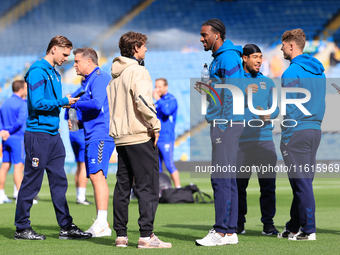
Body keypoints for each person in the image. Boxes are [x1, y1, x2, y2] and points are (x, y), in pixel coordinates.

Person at [14, 35, 92, 240]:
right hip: (38, 134)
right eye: (65, 54)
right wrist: (62, 101)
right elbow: (37, 103)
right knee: (32, 182)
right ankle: (22, 228)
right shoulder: (38, 71)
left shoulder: (54, 72)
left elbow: (50, 102)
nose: (67, 58)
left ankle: (66, 226)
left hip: (53, 135)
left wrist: (64, 102)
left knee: (59, 181)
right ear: (54, 49)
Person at [107, 31, 172, 249]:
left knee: (122, 187)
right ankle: (146, 236)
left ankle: (121, 236)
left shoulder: (115, 76)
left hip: (121, 139)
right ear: (135, 48)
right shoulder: (139, 71)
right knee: (148, 187)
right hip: (139, 136)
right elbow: (143, 100)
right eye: (144, 46)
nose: (146, 50)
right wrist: (155, 125)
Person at [195, 19, 245, 246]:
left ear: (217, 35)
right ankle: (230, 231)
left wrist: (222, 122)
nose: (201, 38)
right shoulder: (218, 60)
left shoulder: (227, 57)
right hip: (226, 122)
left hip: (227, 123)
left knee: (220, 177)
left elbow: (235, 92)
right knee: (227, 178)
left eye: (205, 35)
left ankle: (222, 231)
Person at [277, 28, 325, 241]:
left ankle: (309, 230)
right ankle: (293, 226)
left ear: (290, 45)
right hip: (315, 130)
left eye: (283, 44)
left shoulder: (290, 73)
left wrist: (285, 137)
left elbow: (289, 109)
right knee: (302, 182)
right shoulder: (319, 71)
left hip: (296, 131)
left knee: (301, 183)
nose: (280, 48)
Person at [69, 47, 115, 237]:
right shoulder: (88, 81)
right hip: (91, 133)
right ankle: (100, 221)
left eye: (77, 61)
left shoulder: (100, 77)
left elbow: (97, 104)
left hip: (101, 134)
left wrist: (73, 103)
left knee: (97, 176)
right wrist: (79, 122)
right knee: (94, 176)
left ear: (89, 61)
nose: (74, 65)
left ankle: (103, 223)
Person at [236, 44, 279, 235]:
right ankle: (238, 223)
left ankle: (268, 224)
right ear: (244, 58)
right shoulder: (235, 81)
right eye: (255, 57)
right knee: (239, 186)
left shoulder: (268, 82)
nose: (259, 60)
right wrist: (243, 96)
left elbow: (276, 108)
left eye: (261, 57)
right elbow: (225, 106)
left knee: (268, 185)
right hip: (241, 142)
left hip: (264, 139)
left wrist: (269, 114)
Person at [0, 80, 27, 204]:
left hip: (6, 138)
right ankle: (19, 196)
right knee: (18, 166)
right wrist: (9, 131)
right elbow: (20, 122)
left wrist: (3, 132)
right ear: (21, 89)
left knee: (5, 166)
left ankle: (1, 194)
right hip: (17, 138)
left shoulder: (4, 102)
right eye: (26, 88)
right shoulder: (22, 103)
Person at [64, 85, 92, 205]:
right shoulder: (86, 93)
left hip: (73, 134)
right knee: (83, 166)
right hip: (81, 133)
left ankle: (79, 194)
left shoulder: (73, 95)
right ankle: (81, 196)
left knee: (79, 165)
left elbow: (69, 117)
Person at [153, 78, 181, 188]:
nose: (157, 89)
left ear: (166, 87)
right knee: (157, 166)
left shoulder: (171, 100)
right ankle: (160, 189)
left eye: (160, 86)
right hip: (156, 137)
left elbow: (167, 111)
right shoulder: (158, 102)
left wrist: (157, 100)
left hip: (166, 138)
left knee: (169, 164)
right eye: (156, 86)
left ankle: (178, 188)